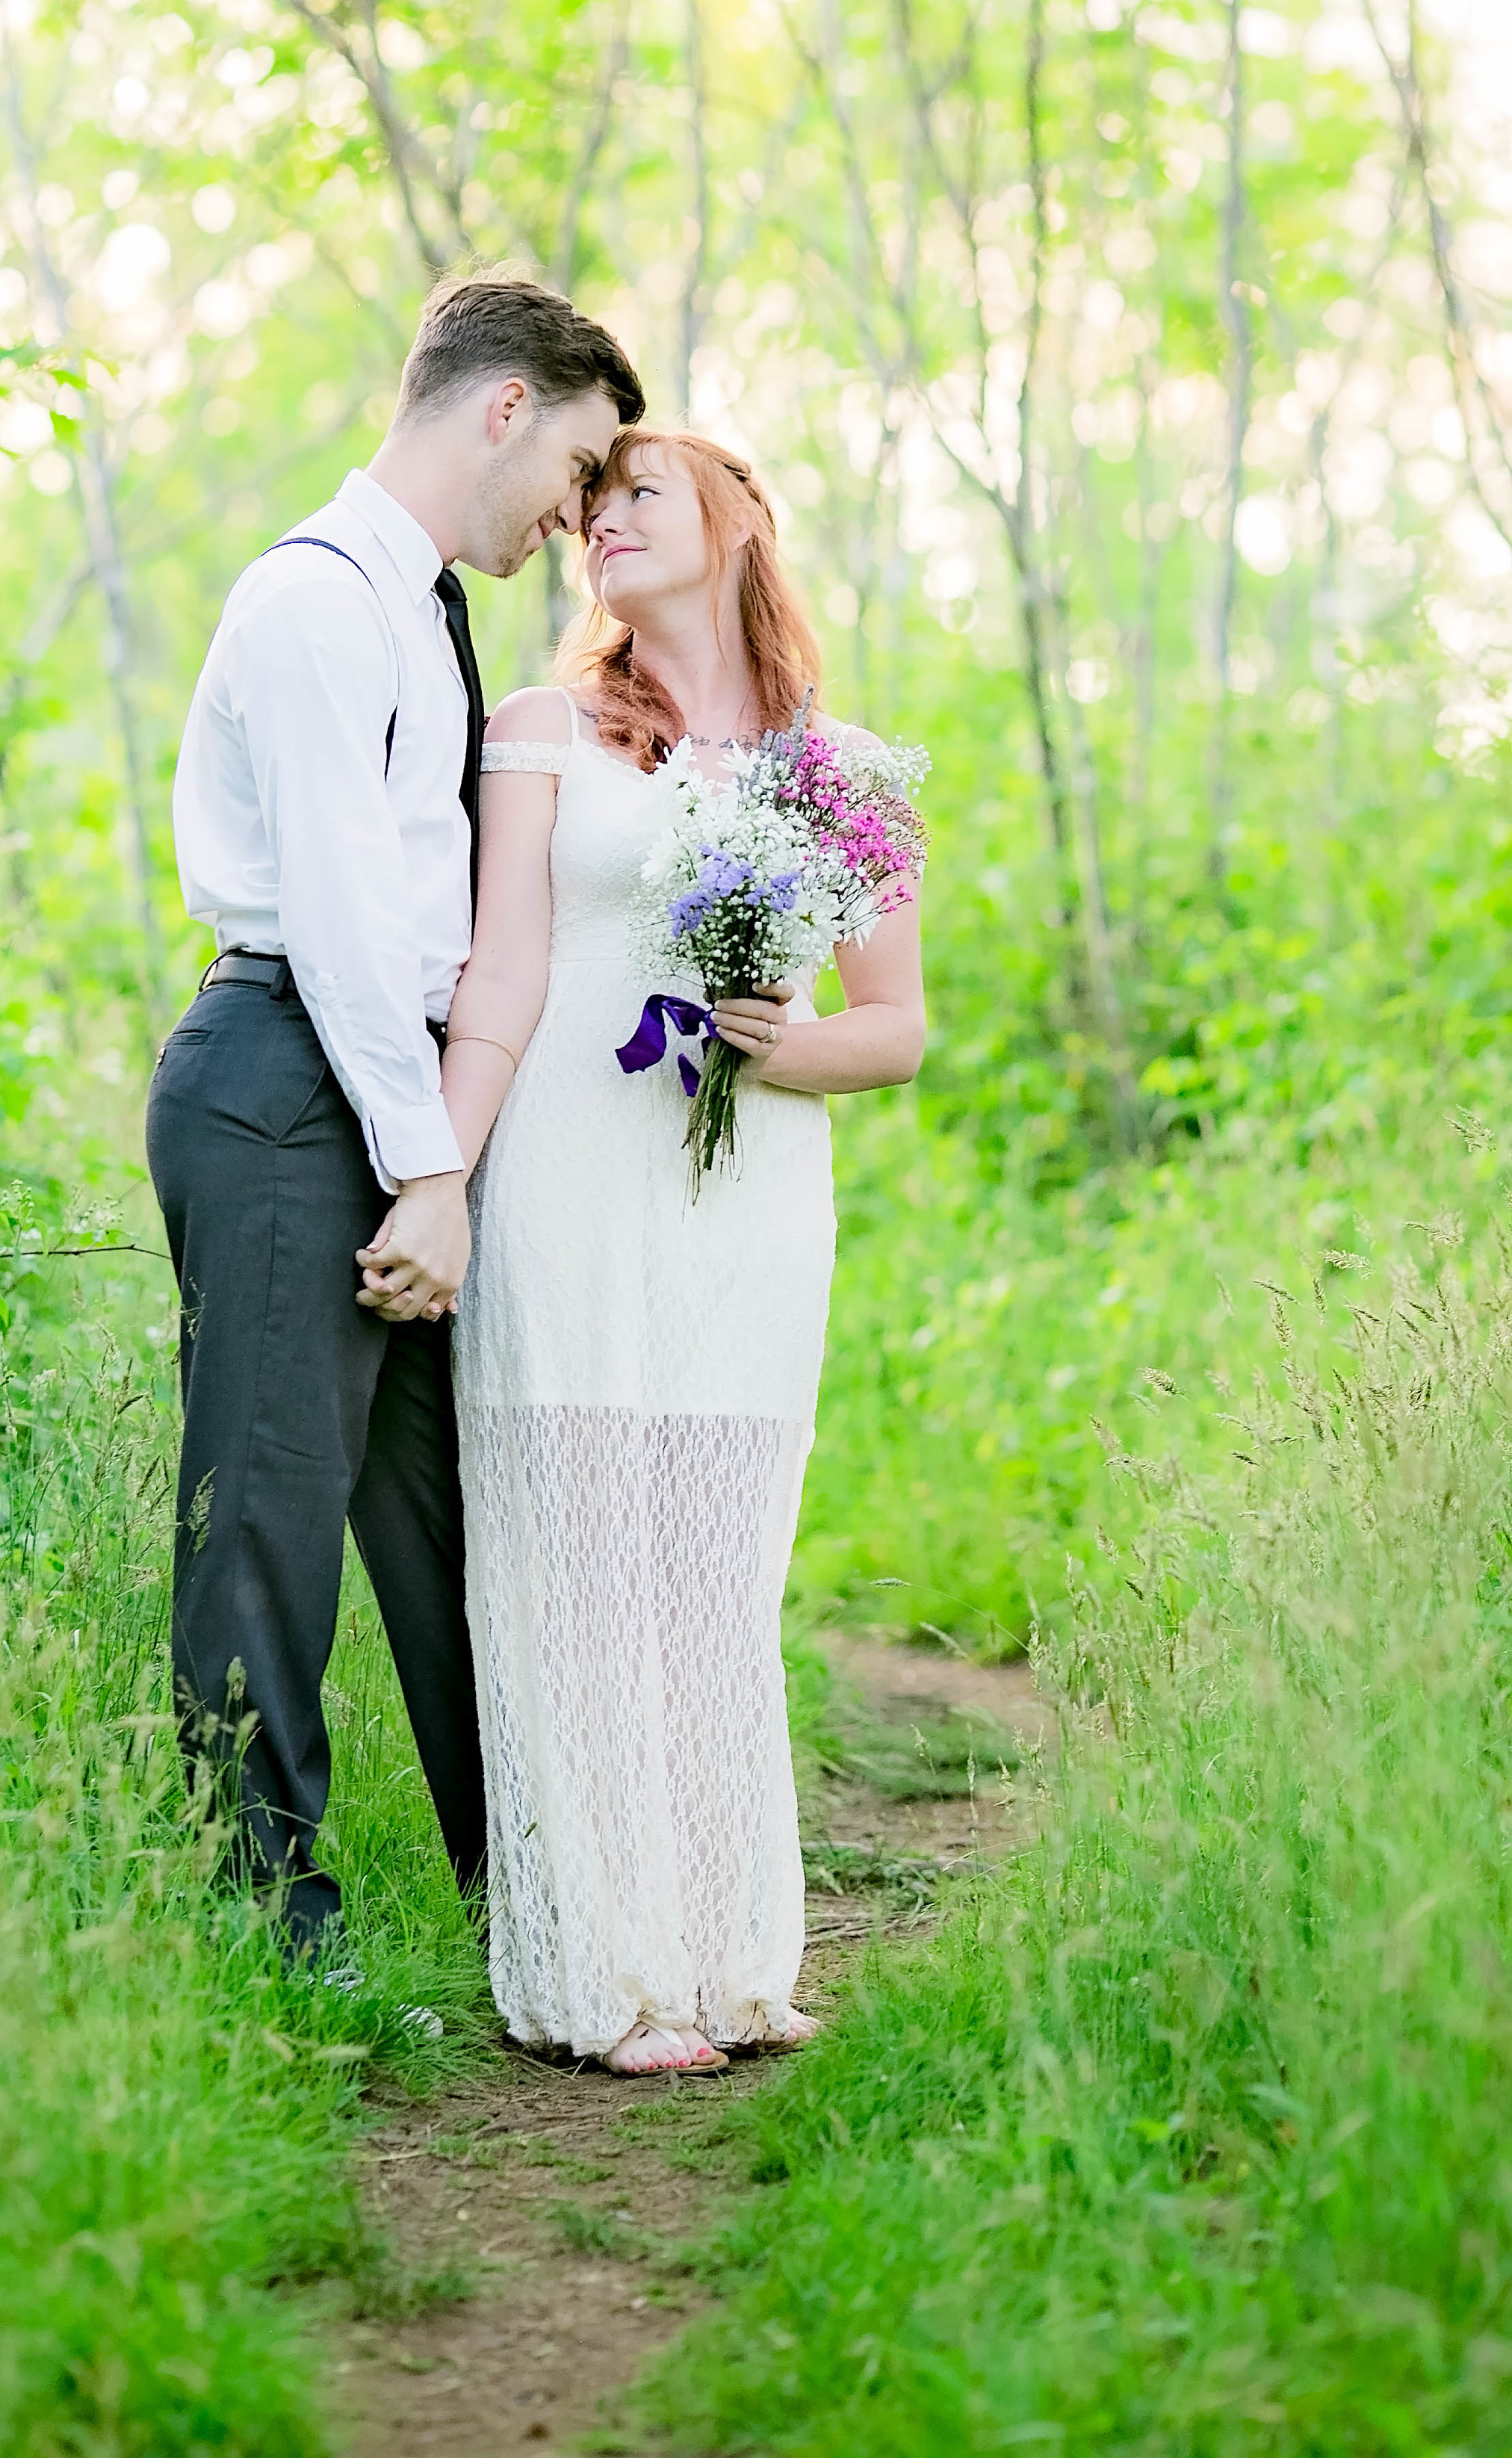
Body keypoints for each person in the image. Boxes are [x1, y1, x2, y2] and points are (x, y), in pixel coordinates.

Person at [147, 274, 645, 1951]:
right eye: (578, 466)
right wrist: (425, 1169)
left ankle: (545, 1901)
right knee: (270, 1515)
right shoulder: (313, 604)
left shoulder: (417, 610)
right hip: (290, 1081)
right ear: (504, 406)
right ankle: (265, 1924)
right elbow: (349, 920)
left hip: (375, 1076)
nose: (576, 517)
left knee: (460, 1512)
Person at [439, 429, 926, 2075]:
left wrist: (776, 1050)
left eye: (640, 491)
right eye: (587, 506)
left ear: (735, 523)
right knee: (571, 1575)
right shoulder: (533, 732)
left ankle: (733, 1960)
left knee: (715, 1578)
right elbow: (499, 973)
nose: (602, 523)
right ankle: (606, 1977)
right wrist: (438, 1176)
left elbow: (899, 1033)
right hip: (567, 1185)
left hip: (750, 1205)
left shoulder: (839, 769)